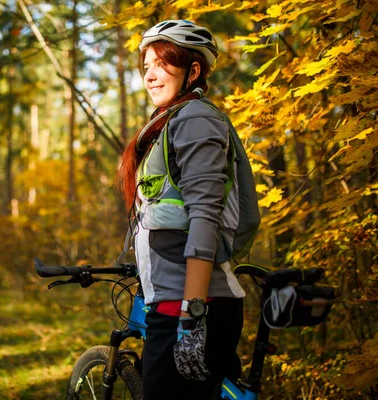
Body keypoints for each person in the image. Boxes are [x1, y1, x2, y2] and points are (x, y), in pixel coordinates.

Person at [116, 20, 246, 399]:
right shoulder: (170, 123)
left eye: (163, 63)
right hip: (176, 301)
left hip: (187, 308)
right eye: (146, 67)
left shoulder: (195, 118)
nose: (151, 75)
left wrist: (191, 315)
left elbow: (205, 216)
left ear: (193, 71)